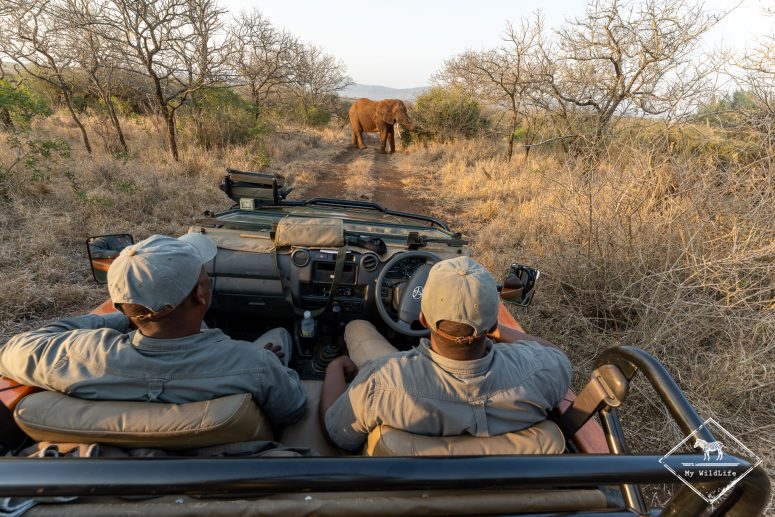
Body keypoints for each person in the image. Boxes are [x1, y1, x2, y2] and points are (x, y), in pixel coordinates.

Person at [0, 234, 306, 426]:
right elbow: (293, 410)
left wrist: (125, 317)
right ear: (201, 293)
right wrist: (277, 367)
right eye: (204, 275)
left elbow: (10, 350)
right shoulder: (255, 365)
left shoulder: (77, 355)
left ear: (121, 305)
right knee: (279, 335)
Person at [320, 256, 571, 452]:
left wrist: (335, 367)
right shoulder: (541, 373)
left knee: (358, 327)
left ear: (422, 318)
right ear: (492, 322)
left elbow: (338, 435)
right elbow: (552, 354)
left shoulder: (380, 382)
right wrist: (496, 329)